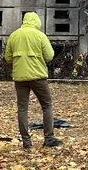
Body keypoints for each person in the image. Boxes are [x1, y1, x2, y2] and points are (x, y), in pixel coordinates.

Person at [4, 12, 61, 149]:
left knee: (22, 108)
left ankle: (26, 141)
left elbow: (8, 58)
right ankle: (49, 138)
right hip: (38, 76)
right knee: (47, 105)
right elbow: (49, 56)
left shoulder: (14, 35)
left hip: (20, 77)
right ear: (37, 22)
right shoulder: (40, 36)